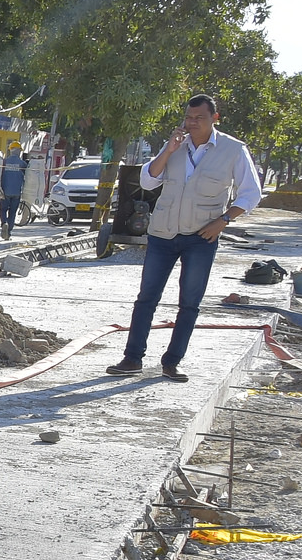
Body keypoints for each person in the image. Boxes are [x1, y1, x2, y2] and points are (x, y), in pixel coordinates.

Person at [105, 94, 261, 383]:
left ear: (215, 118)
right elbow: (148, 180)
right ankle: (132, 358)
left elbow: (251, 194)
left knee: (189, 303)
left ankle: (172, 362)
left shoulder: (234, 150)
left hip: (201, 236)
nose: (192, 123)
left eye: (199, 118)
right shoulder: (176, 145)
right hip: (163, 233)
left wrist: (223, 221)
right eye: (189, 117)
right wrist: (168, 150)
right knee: (146, 298)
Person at [0, 143, 28, 236]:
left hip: (5, 191)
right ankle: (9, 231)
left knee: (3, 210)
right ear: (19, 151)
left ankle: (4, 223)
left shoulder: (4, 162)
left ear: (10, 150)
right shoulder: (22, 164)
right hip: (17, 192)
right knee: (12, 212)